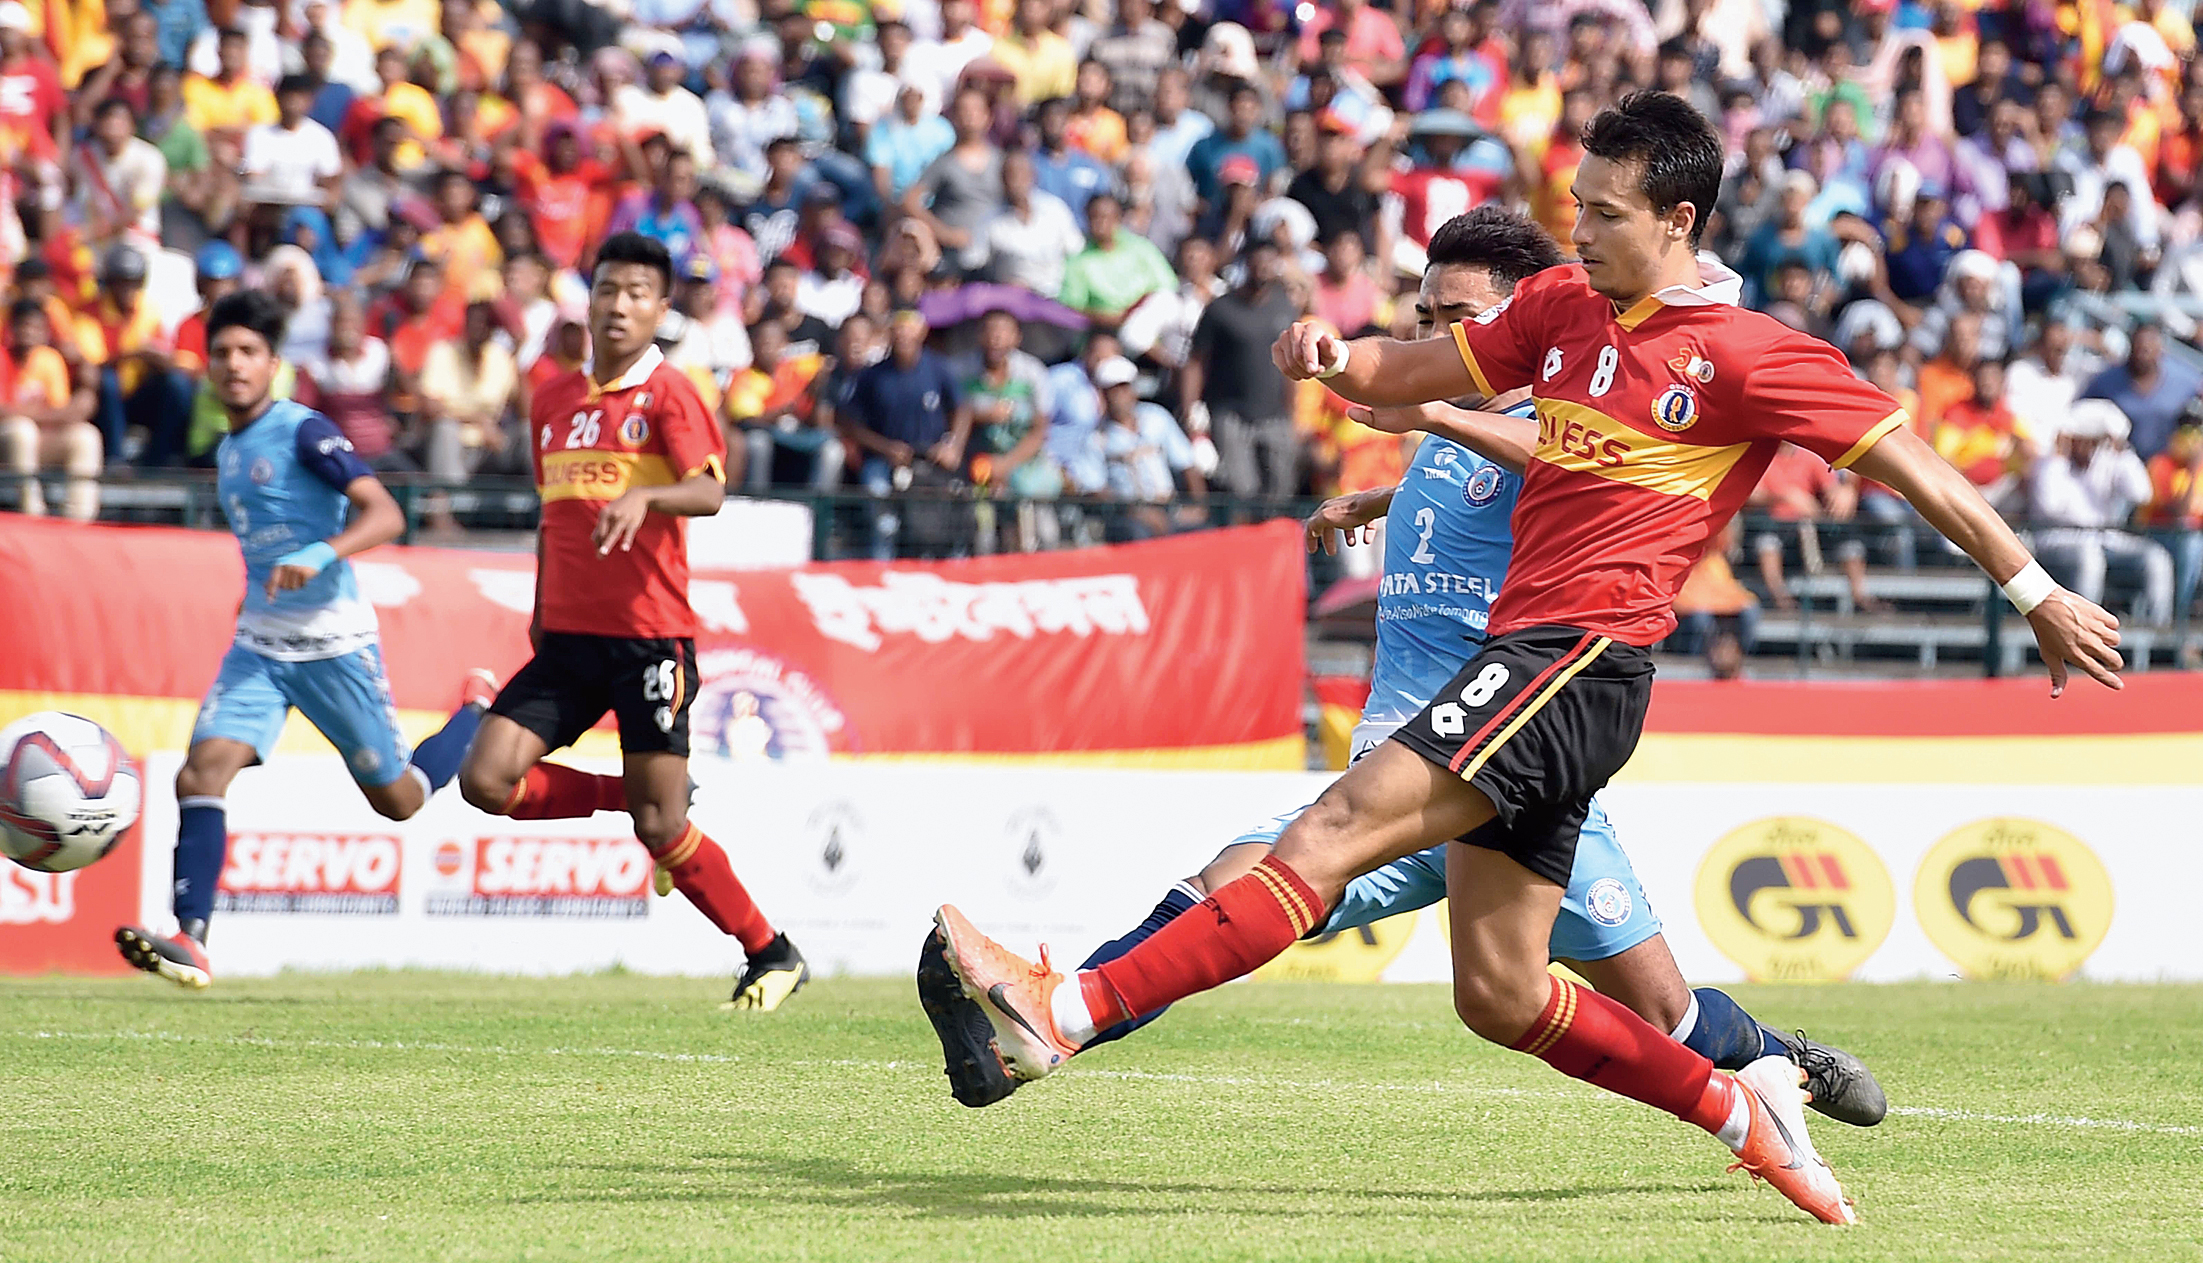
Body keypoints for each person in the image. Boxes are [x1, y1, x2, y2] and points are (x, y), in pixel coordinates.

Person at [933, 91, 2123, 1228]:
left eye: (1606, 213)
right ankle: (1737, 1103)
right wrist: (1330, 355)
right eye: (1577, 204)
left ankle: (1067, 1010)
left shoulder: (1750, 355)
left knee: (1324, 837)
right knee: (1499, 996)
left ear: (1679, 222)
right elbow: (1406, 376)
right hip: (1530, 674)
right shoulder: (1560, 308)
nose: (1581, 231)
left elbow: (1916, 467)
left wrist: (2034, 590)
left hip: (1579, 660)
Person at [916, 207, 1885, 1133]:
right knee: (1228, 882)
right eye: (1424, 316)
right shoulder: (1450, 425)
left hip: (1506, 763)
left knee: (1665, 1012)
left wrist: (1423, 413)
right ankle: (1046, 1020)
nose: (1434, 335)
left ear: (1522, 318)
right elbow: (1477, 478)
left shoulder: (1566, 415)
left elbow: (1545, 454)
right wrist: (1377, 497)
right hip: (1411, 764)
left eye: (1458, 318)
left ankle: (1773, 1065)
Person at [455, 233, 810, 1012]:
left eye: (638, 294)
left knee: (662, 828)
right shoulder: (551, 399)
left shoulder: (671, 394)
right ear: (590, 298)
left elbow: (709, 492)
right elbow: (554, 520)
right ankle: (624, 792)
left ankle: (770, 950)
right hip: (569, 639)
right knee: (484, 779)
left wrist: (647, 496)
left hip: (650, 638)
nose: (620, 305)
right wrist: (543, 612)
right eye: (609, 289)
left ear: (659, 309)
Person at [113, 290, 491, 989]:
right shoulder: (228, 451)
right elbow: (259, 552)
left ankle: (476, 713)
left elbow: (382, 511)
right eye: (221, 353)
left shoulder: (304, 431)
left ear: (272, 364)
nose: (233, 364)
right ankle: (191, 940)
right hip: (259, 645)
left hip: (333, 643)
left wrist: (322, 553)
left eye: (248, 352)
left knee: (400, 798)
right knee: (199, 773)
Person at [2032, 399, 2174, 628]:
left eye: (2094, 441)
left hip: (2104, 537)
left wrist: (2122, 450)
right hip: (2058, 538)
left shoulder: (2108, 460)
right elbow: (2049, 506)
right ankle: (2085, 631)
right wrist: (2058, 457)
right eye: (2082, 440)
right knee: (2090, 559)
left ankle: (2158, 636)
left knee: (2157, 558)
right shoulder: (2050, 463)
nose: (2088, 447)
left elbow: (2142, 493)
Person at [1182, 239, 1302, 498]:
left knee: (1281, 487)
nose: (1263, 269)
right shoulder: (1220, 309)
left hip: (1275, 413)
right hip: (1230, 412)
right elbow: (1195, 361)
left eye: (1269, 263)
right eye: (1257, 262)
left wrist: (1293, 412)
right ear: (1247, 264)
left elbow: (1294, 363)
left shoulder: (1285, 307)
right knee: (1241, 488)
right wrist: (1192, 408)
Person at [0, 299, 100, 519]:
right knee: (21, 430)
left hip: (41, 438)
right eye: (22, 326)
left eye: (34, 327)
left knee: (85, 435)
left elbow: (64, 414)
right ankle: (32, 512)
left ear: (44, 332)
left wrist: (26, 411)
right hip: (7, 442)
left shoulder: (50, 360)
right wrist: (39, 414)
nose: (28, 333)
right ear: (11, 329)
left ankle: (78, 519)